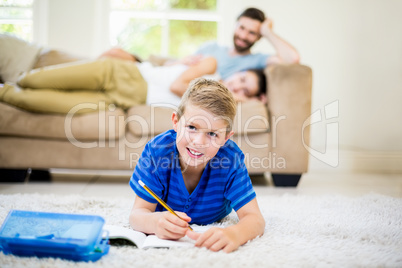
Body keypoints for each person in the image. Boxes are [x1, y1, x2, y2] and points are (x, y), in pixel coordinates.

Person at [129, 78, 265, 253]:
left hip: (215, 216)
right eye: (192, 127)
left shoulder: (231, 159)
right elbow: (137, 214)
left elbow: (255, 219)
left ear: (226, 138)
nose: (198, 142)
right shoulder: (157, 151)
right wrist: (154, 222)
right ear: (176, 122)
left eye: (212, 134)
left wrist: (235, 233)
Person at [0, 48, 266, 114]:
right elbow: (176, 87)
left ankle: (3, 92)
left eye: (246, 90)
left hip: (127, 100)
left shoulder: (217, 102)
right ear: (236, 71)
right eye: (242, 79)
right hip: (123, 73)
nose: (238, 86)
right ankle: (16, 79)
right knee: (34, 80)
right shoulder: (212, 65)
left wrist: (233, 100)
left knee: (48, 103)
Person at [193, 7, 300, 79]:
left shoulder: (257, 60)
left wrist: (268, 32)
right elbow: (180, 69)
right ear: (235, 25)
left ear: (259, 37)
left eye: (252, 33)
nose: (243, 36)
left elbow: (292, 59)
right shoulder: (211, 47)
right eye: (242, 28)